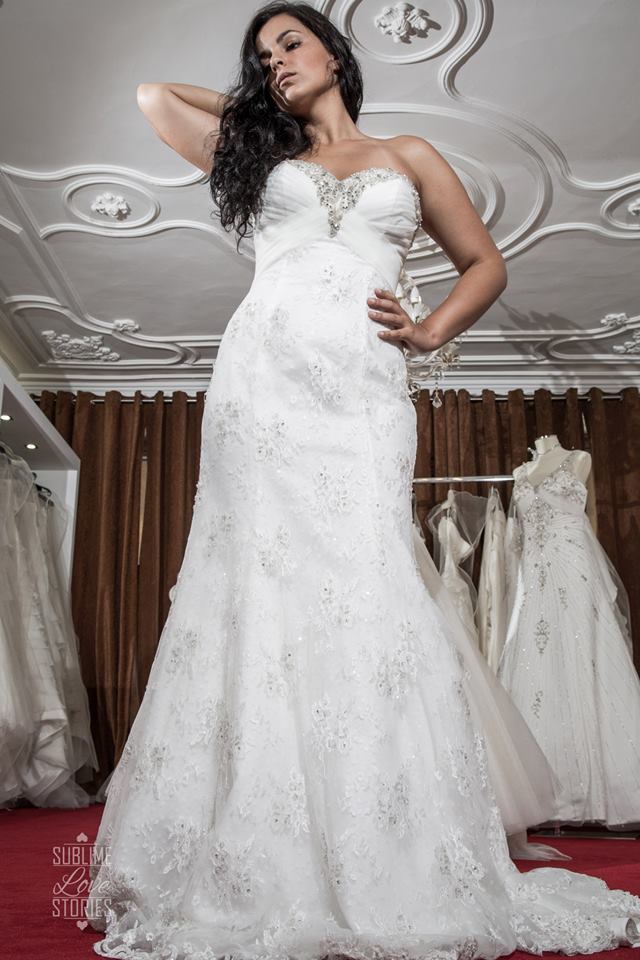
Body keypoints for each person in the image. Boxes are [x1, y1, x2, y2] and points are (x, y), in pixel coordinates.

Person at [85, 3, 640, 958]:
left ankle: (387, 841)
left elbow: (485, 263)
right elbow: (152, 96)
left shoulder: (409, 153)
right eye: (262, 55)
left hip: (363, 391)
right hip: (260, 387)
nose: (276, 61)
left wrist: (429, 332)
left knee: (366, 578)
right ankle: (261, 843)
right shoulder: (260, 154)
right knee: (257, 583)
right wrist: (261, 102)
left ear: (336, 52)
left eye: (291, 43)